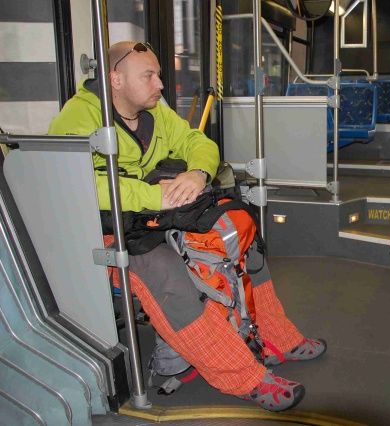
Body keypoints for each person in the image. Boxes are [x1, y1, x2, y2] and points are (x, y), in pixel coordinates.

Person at [48, 41, 326, 412]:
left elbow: (199, 143)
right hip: (102, 231)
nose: (160, 84)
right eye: (149, 76)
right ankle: (242, 376)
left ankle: (277, 338)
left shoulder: (156, 114)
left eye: (159, 75)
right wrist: (153, 195)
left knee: (240, 235)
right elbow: (73, 183)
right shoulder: (77, 117)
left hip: (150, 218)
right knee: (167, 271)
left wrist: (197, 173)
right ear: (115, 79)